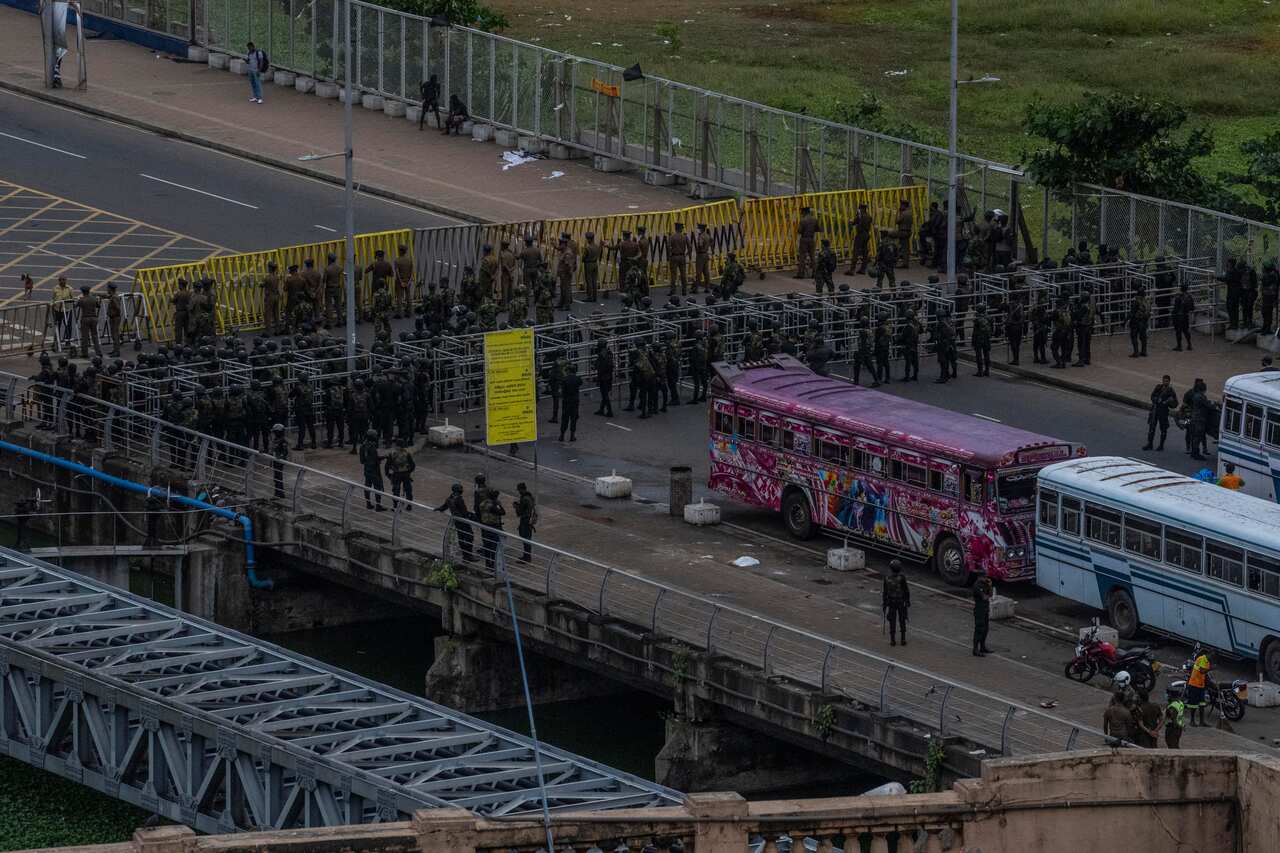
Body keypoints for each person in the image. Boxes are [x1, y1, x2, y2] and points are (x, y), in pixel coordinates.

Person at [435, 483, 474, 562]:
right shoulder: (459, 499)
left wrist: (438, 509)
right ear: (458, 490)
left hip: (457, 521)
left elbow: (443, 507)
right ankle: (468, 556)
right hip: (463, 521)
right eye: (461, 489)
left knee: (461, 538)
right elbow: (464, 511)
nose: (462, 490)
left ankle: (466, 556)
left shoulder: (449, 499)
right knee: (469, 537)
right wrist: (470, 516)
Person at [1144, 375, 1178, 451]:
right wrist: (1156, 400)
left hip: (1163, 412)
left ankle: (1161, 445)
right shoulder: (1158, 387)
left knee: (1163, 429)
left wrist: (1168, 402)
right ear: (1162, 381)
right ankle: (1150, 444)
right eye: (1164, 381)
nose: (1165, 382)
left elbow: (1175, 404)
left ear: (1169, 382)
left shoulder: (1170, 391)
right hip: (1155, 410)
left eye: (1167, 381)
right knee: (1151, 428)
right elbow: (1152, 396)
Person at [881, 559, 910, 646]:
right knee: (902, 620)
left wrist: (884, 603)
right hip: (901, 602)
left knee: (892, 621)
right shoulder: (902, 577)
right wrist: (907, 601)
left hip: (891, 602)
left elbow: (885, 592)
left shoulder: (887, 578)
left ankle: (892, 640)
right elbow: (906, 590)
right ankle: (903, 639)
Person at [478, 488, 505, 570]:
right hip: (493, 527)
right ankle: (493, 564)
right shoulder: (493, 506)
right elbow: (503, 512)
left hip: (485, 527)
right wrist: (499, 505)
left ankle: (487, 564)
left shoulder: (483, 503)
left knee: (487, 546)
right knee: (494, 547)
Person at [385, 437, 416, 509]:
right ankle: (409, 505)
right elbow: (412, 465)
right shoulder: (407, 453)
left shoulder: (392, 453)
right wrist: (408, 472)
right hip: (405, 474)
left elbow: (387, 465)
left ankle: (395, 506)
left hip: (396, 474)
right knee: (408, 490)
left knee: (396, 490)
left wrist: (388, 474)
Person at [359, 428, 386, 511]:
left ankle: (368, 504)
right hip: (374, 470)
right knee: (377, 487)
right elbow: (375, 459)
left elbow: (362, 461)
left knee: (367, 486)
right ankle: (378, 506)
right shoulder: (372, 446)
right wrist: (384, 457)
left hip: (367, 469)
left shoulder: (362, 446)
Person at [1186, 648, 1211, 727]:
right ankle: (1192, 721)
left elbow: (1205, 674)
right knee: (1193, 704)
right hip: (1194, 685)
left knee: (1202, 704)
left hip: (1201, 685)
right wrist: (1211, 668)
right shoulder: (1202, 659)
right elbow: (1202, 671)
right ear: (1208, 654)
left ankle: (1201, 722)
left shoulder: (1207, 661)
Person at [77, 285, 102, 359]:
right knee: (95, 336)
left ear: (83, 292)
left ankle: (85, 353)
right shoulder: (93, 299)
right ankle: (98, 352)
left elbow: (77, 305)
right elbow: (98, 306)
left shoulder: (82, 300)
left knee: (85, 337)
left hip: (85, 318)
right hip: (94, 318)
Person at [847, 203, 872, 275]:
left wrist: (852, 220)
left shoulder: (860, 216)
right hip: (867, 235)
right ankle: (863, 269)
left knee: (856, 251)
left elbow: (853, 223)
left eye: (859, 208)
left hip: (860, 235)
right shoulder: (869, 216)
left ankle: (852, 270)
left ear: (861, 209)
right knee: (865, 252)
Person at [796, 206, 820, 278]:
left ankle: (801, 274)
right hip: (812, 239)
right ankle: (815, 273)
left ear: (804, 212)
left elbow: (799, 231)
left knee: (802, 257)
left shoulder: (803, 220)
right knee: (812, 257)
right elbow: (817, 229)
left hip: (804, 240)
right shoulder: (815, 219)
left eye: (802, 213)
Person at [560, 363, 582, 441]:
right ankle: (572, 436)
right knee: (574, 418)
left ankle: (562, 435)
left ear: (568, 371)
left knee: (565, 419)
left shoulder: (565, 379)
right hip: (575, 401)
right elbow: (580, 383)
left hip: (566, 401)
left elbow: (562, 391)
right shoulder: (578, 379)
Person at [515, 482, 537, 562]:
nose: (519, 492)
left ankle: (527, 557)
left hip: (525, 520)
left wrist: (516, 506)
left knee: (525, 539)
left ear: (521, 489)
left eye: (519, 490)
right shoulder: (530, 497)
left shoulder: (524, 499)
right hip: (529, 521)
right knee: (527, 538)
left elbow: (519, 512)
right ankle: (527, 556)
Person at [667, 222, 690, 295]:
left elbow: (668, 246)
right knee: (683, 274)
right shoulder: (685, 237)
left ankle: (673, 291)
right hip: (682, 256)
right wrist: (686, 254)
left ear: (675, 228)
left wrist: (670, 254)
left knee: (673, 275)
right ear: (681, 229)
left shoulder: (672, 237)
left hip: (674, 256)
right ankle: (684, 290)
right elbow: (690, 246)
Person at [972, 575, 992, 656]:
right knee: (979, 629)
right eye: (984, 577)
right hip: (979, 609)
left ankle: (982, 647)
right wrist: (987, 595)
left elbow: (990, 595)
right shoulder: (977, 586)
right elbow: (984, 597)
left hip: (985, 609)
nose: (986, 579)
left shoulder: (985, 584)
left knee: (985, 629)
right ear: (979, 577)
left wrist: (989, 586)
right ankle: (975, 649)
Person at [594, 340, 615, 416]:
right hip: (609, 376)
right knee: (604, 394)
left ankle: (609, 411)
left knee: (604, 394)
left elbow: (600, 367)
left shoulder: (602, 355)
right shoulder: (609, 352)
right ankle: (602, 409)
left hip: (603, 377)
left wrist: (598, 378)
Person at [1128, 285, 1150, 357]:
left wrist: (1125, 320)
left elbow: (1132, 312)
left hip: (1136, 321)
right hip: (1144, 321)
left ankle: (1136, 352)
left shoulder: (1137, 301)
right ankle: (1144, 351)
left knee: (1134, 336)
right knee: (1143, 337)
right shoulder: (1146, 301)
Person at [1172, 283, 1196, 351]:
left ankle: (1179, 346)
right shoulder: (1189, 297)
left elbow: (1176, 308)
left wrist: (1173, 315)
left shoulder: (1178, 297)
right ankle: (1189, 345)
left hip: (1179, 316)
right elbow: (1192, 308)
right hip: (1186, 315)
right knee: (1186, 331)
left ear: (1181, 289)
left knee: (1178, 331)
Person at [971, 304, 992, 377]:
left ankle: (980, 371)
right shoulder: (989, 317)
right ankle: (987, 370)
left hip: (978, 338)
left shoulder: (977, 319)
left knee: (979, 355)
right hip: (986, 338)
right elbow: (991, 327)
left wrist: (973, 340)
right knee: (987, 354)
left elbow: (975, 330)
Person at [269, 423, 289, 498]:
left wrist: (280, 457)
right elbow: (273, 450)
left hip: (279, 461)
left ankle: (280, 493)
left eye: (276, 432)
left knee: (278, 477)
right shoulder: (275, 439)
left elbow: (285, 452)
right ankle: (277, 492)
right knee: (276, 477)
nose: (275, 433)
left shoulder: (283, 440)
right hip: (275, 460)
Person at [581, 232, 602, 302]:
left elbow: (584, 257)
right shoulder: (596, 246)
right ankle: (595, 296)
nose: (587, 240)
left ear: (589, 239)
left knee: (589, 281)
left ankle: (590, 296)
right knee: (594, 281)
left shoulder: (588, 248)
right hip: (595, 264)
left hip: (588, 264)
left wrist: (583, 259)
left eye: (587, 239)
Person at [104, 282, 123, 356]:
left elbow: (117, 307)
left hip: (115, 318)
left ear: (110, 289)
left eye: (108, 288)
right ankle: (115, 350)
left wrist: (115, 313)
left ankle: (117, 351)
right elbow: (107, 296)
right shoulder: (113, 296)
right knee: (113, 334)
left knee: (115, 335)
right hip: (114, 317)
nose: (107, 289)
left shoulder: (114, 297)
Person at [1004, 297, 1025, 365]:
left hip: (1012, 327)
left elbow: (1000, 308)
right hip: (1019, 327)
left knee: (1013, 344)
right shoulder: (1021, 306)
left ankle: (1015, 359)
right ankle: (1016, 359)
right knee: (1017, 344)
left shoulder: (1011, 306)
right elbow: (1022, 319)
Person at [693, 222, 712, 293]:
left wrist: (700, 248)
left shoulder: (701, 236)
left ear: (701, 229)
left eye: (698, 228)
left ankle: (696, 288)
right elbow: (711, 241)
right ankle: (707, 288)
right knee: (706, 272)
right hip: (706, 254)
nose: (697, 229)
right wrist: (707, 247)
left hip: (700, 255)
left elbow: (700, 245)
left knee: (698, 272)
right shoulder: (707, 235)